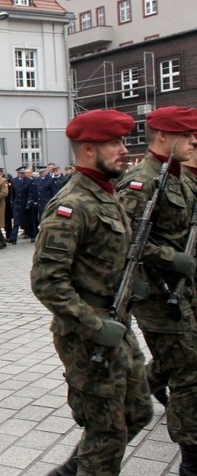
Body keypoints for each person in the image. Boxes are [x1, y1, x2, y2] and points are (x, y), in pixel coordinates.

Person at [32, 109, 153, 476]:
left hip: (117, 324)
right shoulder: (72, 205)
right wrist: (94, 324)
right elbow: (47, 280)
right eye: (114, 143)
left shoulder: (106, 194)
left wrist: (135, 285)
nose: (124, 149)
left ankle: (73, 470)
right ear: (87, 149)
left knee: (138, 411)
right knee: (107, 436)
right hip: (87, 337)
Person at [115, 105, 197, 474]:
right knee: (190, 371)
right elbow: (122, 239)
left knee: (177, 362)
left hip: (184, 289)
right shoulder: (141, 180)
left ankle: (139, 392)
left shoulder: (180, 177)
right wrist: (172, 258)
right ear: (163, 136)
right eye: (187, 134)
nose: (194, 140)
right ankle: (192, 460)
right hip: (158, 294)